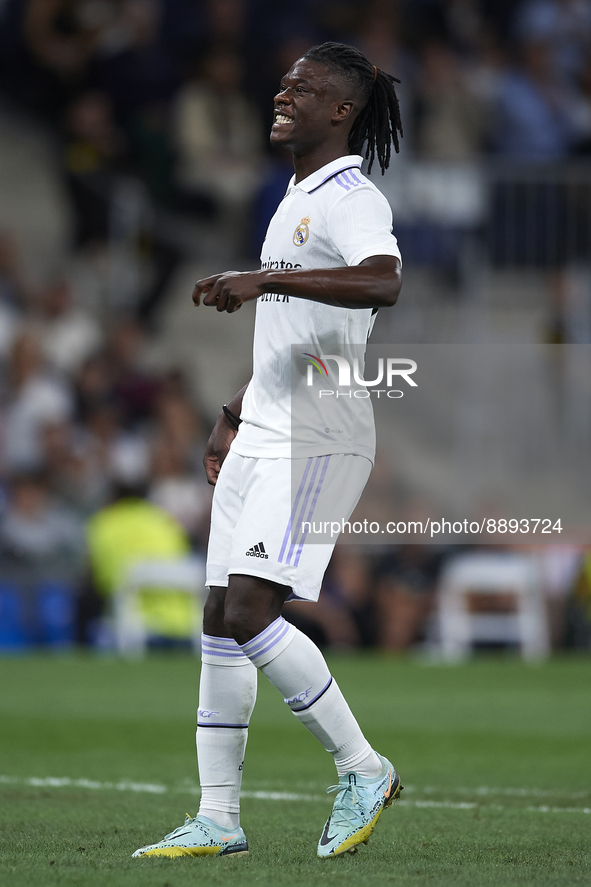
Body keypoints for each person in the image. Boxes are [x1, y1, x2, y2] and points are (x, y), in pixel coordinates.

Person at [133, 41, 404, 861]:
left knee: (252, 611)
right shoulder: (292, 196)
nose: (285, 94)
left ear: (341, 111)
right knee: (218, 618)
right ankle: (219, 815)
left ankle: (364, 766)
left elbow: (383, 279)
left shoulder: (351, 196)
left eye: (306, 88)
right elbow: (301, 335)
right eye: (286, 83)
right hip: (270, 424)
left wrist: (263, 278)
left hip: (319, 432)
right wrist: (235, 408)